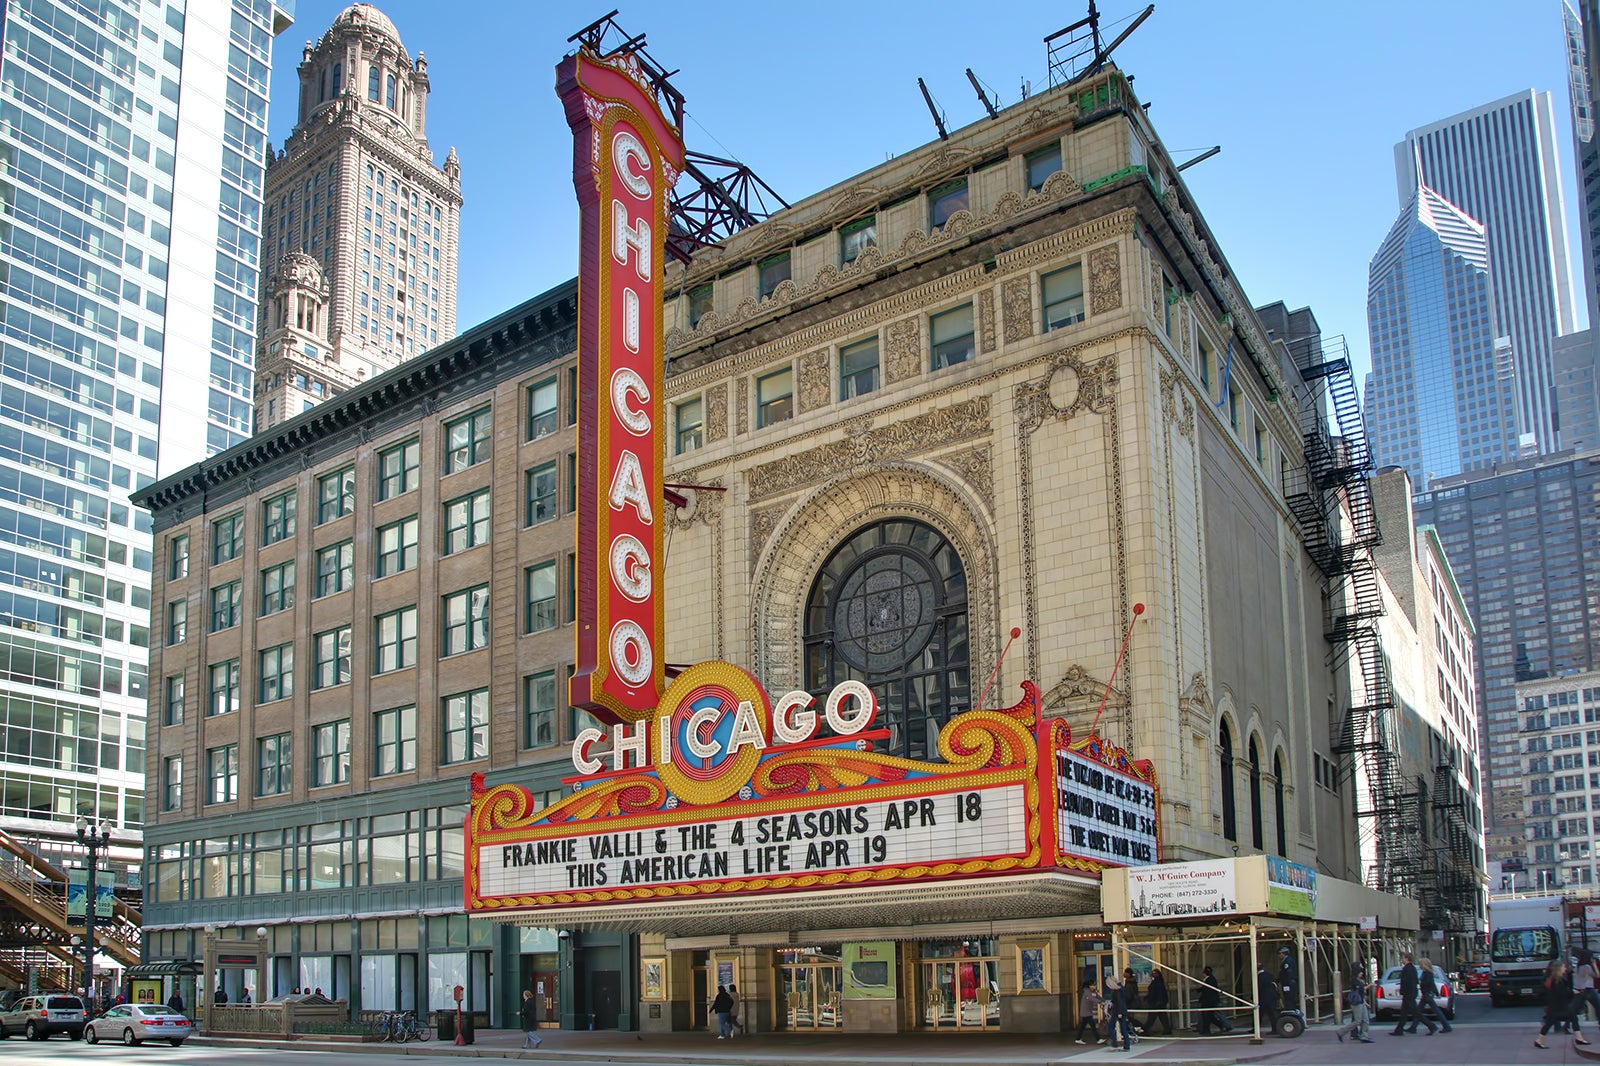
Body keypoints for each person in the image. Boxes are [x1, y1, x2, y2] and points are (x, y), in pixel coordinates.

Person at [1538, 959, 1591, 1049]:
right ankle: (1579, 1038)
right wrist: (1572, 992)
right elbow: (1562, 994)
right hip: (1559, 1007)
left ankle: (1539, 1040)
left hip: (1556, 1007)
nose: (1565, 969)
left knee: (1568, 1018)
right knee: (1554, 1021)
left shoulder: (1553, 980)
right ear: (1558, 969)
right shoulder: (1557, 981)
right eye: (1563, 967)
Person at [1389, 953, 1433, 1036]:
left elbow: (1407, 982)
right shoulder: (1411, 968)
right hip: (1410, 993)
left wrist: (1404, 991)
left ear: (1406, 959)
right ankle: (1399, 1030)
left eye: (1403, 958)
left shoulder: (1408, 969)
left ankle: (1431, 1026)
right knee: (1404, 1013)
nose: (1402, 960)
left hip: (1408, 994)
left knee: (1416, 1012)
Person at [1334, 963, 1374, 1043]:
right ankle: (1341, 1032)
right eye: (1360, 972)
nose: (1362, 973)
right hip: (1357, 1002)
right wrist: (1369, 986)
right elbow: (1360, 989)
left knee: (1365, 1020)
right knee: (1357, 1021)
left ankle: (1364, 1036)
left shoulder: (1359, 980)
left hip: (1361, 1001)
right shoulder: (1354, 980)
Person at [1416, 957, 1451, 1034]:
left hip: (1427, 994)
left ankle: (1444, 1026)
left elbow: (1428, 983)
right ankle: (1414, 1027)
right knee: (1420, 1011)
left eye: (1420, 964)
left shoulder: (1427, 973)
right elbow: (1432, 984)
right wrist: (1436, 993)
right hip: (1427, 994)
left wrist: (1421, 982)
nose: (1419, 966)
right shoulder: (1427, 973)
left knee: (1432, 1011)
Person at [1197, 966, 1231, 1035]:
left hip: (1208, 1001)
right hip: (1211, 1001)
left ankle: (1206, 1029)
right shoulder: (1212, 979)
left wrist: (1200, 992)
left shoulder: (1208, 980)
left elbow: (1206, 990)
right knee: (1210, 1015)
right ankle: (1215, 1026)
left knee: (1207, 1015)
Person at [1103, 975, 1132, 1052]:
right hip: (1122, 1010)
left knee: (1111, 1027)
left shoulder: (1117, 991)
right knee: (1123, 1028)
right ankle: (1126, 1045)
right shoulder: (1121, 988)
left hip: (1117, 1011)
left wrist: (1119, 1012)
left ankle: (1115, 1044)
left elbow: (1119, 1002)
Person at [1144, 969, 1171, 1035]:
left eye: (1155, 973)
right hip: (1156, 1002)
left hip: (1157, 1003)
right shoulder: (1155, 982)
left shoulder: (1159, 982)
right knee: (1162, 1017)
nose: (1153, 974)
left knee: (1152, 1017)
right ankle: (1167, 1029)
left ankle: (1146, 1030)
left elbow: (1160, 992)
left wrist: (1159, 1001)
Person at [1256, 961, 1279, 1036]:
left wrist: (1253, 997)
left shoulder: (1259, 977)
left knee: (1258, 1013)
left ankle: (1255, 1028)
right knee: (1272, 1014)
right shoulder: (1269, 974)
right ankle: (1275, 1028)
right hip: (1272, 997)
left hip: (1263, 998)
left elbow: (1259, 988)